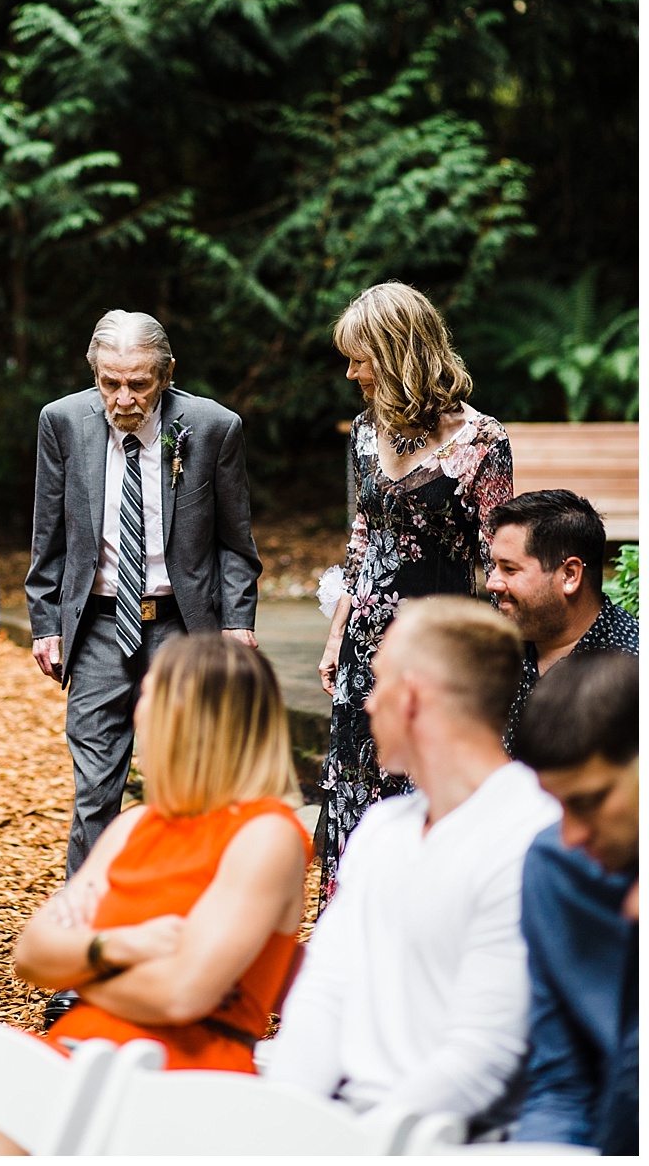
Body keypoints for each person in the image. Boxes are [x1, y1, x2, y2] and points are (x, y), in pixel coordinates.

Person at [0, 632, 311, 1155]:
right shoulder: (135, 827)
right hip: (82, 1053)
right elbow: (31, 955)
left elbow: (182, 995)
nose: (135, 711)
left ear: (195, 721)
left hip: (180, 1076)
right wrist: (121, 948)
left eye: (149, 696)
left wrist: (81, 968)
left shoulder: (267, 835)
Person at [266, 597, 560, 1133]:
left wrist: (351, 1141)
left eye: (378, 681)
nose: (368, 702)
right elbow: (324, 991)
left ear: (414, 698)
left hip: (448, 1136)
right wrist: (285, 1122)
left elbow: (482, 1056)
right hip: (330, 1120)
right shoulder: (382, 830)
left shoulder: (529, 837)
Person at [26, 309, 261, 880]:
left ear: (167, 373)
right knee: (95, 792)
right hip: (100, 627)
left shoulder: (212, 427)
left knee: (190, 779)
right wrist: (46, 622)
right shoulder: (62, 423)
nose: (124, 397)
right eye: (110, 382)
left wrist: (236, 621)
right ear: (94, 373)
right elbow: (48, 534)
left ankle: (188, 918)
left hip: (182, 624)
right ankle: (89, 931)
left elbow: (235, 541)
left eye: (139, 382)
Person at [316, 281, 512, 903]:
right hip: (365, 645)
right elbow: (362, 536)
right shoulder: (365, 431)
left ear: (399, 353)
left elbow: (494, 563)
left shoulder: (482, 442)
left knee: (423, 787)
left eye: (360, 358)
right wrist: (334, 635)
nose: (351, 373)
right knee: (354, 790)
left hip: (438, 645)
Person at [512, 650, 638, 1154]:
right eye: (558, 806)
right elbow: (560, 1082)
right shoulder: (556, 866)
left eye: (589, 801)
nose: (572, 834)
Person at [485, 489, 639, 750]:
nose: (491, 583)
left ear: (569, 575)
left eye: (509, 569)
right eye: (494, 567)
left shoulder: (633, 670)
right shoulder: (491, 657)